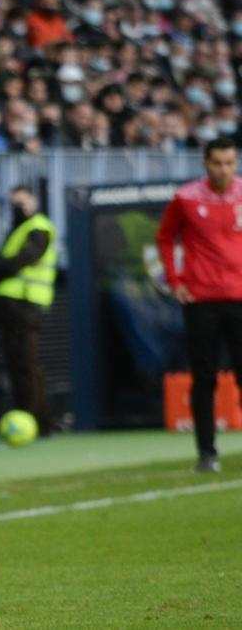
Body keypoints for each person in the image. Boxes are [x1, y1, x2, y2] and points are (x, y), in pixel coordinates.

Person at [156, 137, 242, 473]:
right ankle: (206, 453)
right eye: (218, 163)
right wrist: (175, 281)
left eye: (230, 163)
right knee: (204, 377)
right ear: (205, 163)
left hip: (239, 297)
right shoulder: (186, 197)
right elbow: (165, 237)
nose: (224, 170)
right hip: (201, 299)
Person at [0, 185, 56, 437]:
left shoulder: (39, 227)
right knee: (15, 364)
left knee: (28, 364)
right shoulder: (14, 229)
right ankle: (25, 420)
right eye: (14, 204)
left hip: (27, 304)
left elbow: (18, 260)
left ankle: (38, 422)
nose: (18, 208)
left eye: (22, 203)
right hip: (9, 303)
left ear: (34, 202)